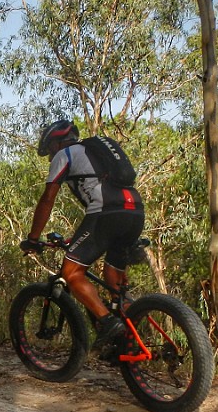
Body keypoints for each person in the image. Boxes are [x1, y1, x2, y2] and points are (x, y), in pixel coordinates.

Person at [19, 120, 145, 349]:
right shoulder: (95, 153)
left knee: (71, 272)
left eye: (49, 149)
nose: (50, 156)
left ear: (56, 143)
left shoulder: (65, 154)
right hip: (135, 211)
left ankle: (108, 324)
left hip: (106, 214)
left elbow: (48, 199)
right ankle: (130, 340)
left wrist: (33, 238)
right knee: (113, 281)